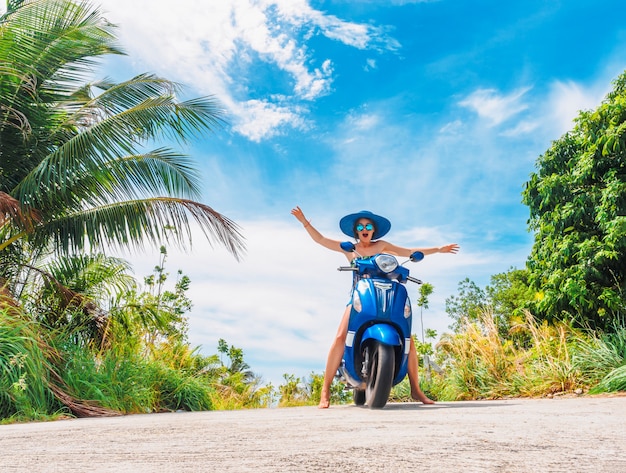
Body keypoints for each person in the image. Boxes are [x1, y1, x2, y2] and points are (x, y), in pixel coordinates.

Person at [291, 206, 459, 409]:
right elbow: (321, 240)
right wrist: (305, 222)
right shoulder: (350, 249)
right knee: (340, 337)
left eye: (368, 225)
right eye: (360, 226)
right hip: (359, 297)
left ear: (373, 230)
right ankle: (325, 391)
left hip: (385, 295)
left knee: (409, 341)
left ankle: (416, 389)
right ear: (356, 231)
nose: (365, 228)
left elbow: (409, 252)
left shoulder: (382, 246)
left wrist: (439, 249)